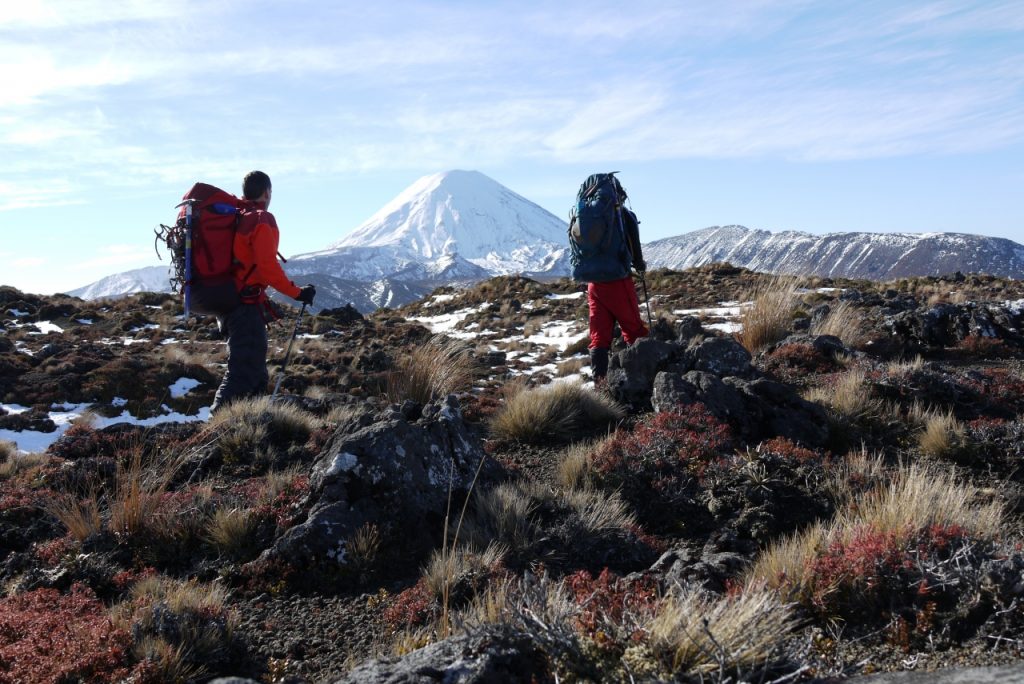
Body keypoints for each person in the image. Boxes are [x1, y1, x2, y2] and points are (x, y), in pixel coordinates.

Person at [210, 171, 316, 413]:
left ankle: (250, 423)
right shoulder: (260, 219)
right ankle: (216, 425)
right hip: (244, 305)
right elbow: (267, 266)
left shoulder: (239, 216)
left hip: (230, 302)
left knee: (255, 370)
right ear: (267, 192)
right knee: (243, 370)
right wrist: (297, 293)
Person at [568, 173, 648, 386]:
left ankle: (600, 386)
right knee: (634, 330)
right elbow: (636, 251)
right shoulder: (624, 217)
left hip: (594, 285)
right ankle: (641, 381)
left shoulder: (587, 217)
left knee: (599, 336)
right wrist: (640, 266)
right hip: (618, 282)